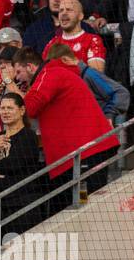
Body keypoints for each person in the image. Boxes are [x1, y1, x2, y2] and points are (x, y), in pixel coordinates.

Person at [8, 46, 119, 207]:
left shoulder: (49, 74)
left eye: (18, 72)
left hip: (86, 151)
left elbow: (28, 108)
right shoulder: (54, 73)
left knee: (87, 207)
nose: (17, 78)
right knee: (79, 206)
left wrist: (9, 84)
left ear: (31, 67)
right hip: (82, 152)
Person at [0, 91, 46, 236]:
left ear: (21, 110)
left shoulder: (28, 136)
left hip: (17, 206)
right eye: (2, 108)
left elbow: (13, 165)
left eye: (10, 108)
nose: (5, 112)